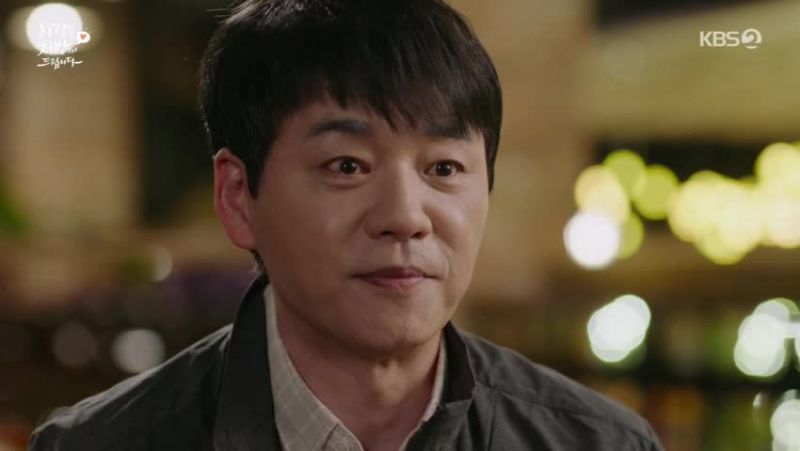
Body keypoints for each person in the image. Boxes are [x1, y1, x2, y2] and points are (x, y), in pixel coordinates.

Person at [30, 0, 664, 449]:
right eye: (347, 165)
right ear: (239, 197)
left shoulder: (597, 442)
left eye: (443, 168)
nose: (405, 218)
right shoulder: (100, 443)